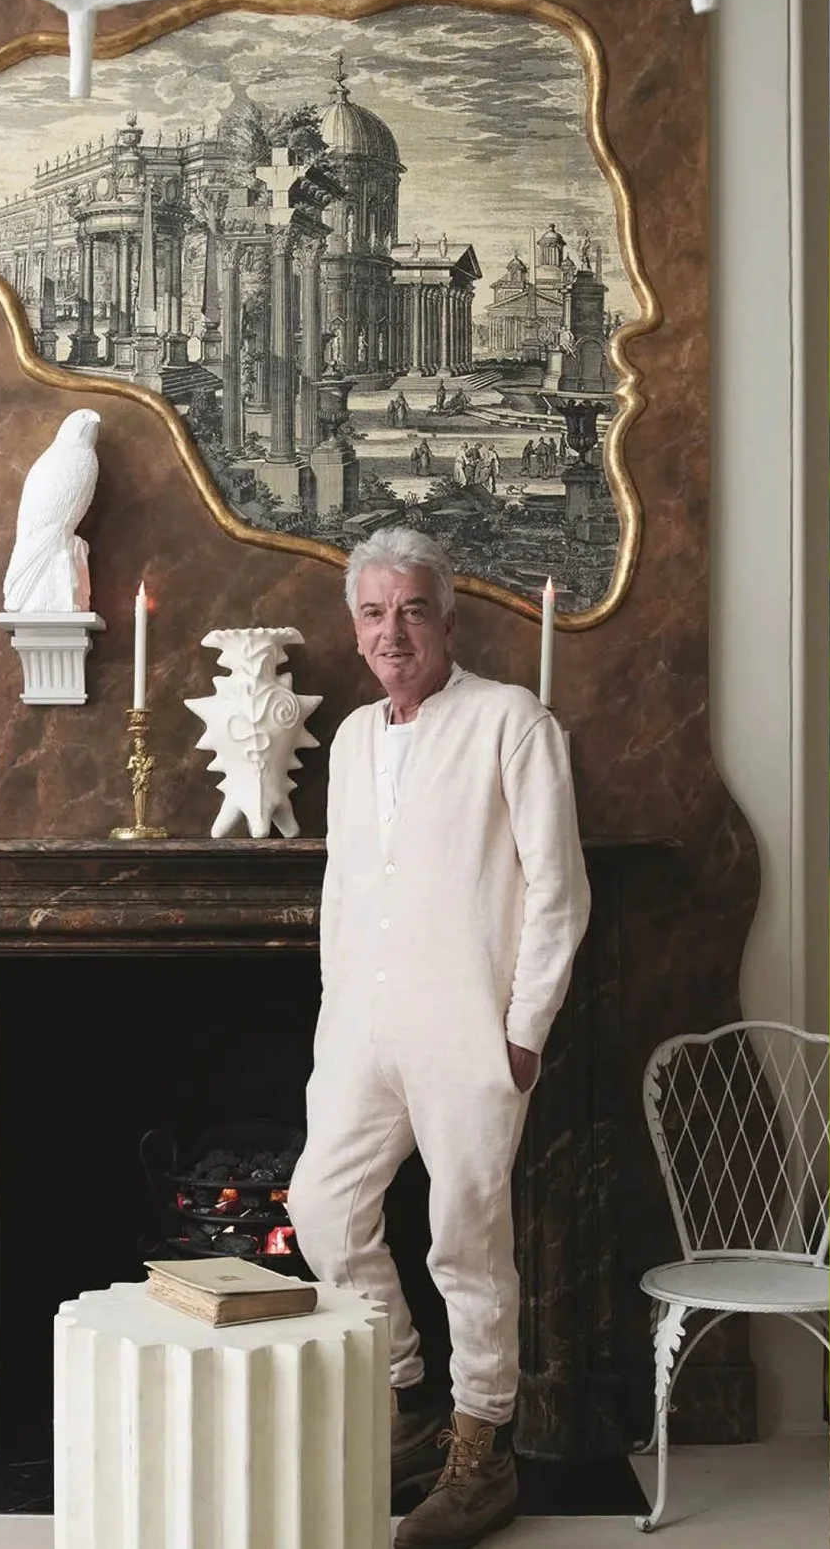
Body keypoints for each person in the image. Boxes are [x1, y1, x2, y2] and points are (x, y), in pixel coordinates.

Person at [288, 526, 590, 1547]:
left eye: (412, 609)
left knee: (465, 1240)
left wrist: (522, 1032)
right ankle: (408, 1400)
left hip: (471, 1031)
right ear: (355, 628)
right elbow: (342, 894)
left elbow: (558, 890)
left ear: (449, 620)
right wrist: (337, 1018)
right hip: (361, 1033)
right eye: (373, 613)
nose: (392, 630)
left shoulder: (512, 721)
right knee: (321, 1208)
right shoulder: (354, 740)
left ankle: (481, 1448)